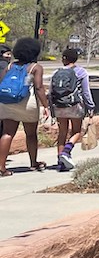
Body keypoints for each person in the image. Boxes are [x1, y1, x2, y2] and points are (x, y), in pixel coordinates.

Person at [0, 37, 51, 175]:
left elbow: (2, 82)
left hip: (8, 102)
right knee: (31, 134)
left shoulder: (10, 66)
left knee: (7, 133)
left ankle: (1, 167)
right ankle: (33, 163)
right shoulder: (35, 68)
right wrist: (46, 106)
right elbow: (39, 87)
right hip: (27, 103)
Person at [50, 47, 96, 171]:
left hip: (59, 106)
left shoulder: (56, 72)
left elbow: (51, 91)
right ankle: (66, 151)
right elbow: (86, 92)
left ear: (64, 58)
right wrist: (91, 107)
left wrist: (51, 108)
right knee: (76, 131)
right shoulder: (81, 72)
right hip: (75, 105)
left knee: (62, 133)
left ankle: (60, 162)